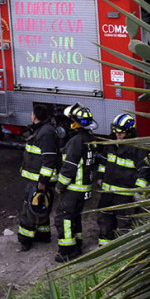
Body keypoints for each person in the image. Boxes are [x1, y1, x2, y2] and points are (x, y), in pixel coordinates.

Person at [96, 113, 150, 246]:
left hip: (125, 197)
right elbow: (103, 163)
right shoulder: (111, 143)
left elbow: (144, 171)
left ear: (130, 132)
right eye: (115, 132)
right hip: (107, 194)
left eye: (121, 133)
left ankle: (122, 256)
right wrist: (100, 178)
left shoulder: (138, 148)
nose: (117, 136)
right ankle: (104, 252)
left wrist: (138, 191)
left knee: (124, 227)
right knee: (104, 222)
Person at [53, 103, 98, 262]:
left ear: (76, 124)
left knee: (63, 218)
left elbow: (69, 168)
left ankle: (66, 252)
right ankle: (77, 245)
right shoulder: (91, 139)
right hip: (84, 189)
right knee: (75, 217)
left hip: (72, 189)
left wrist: (59, 186)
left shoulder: (75, 141)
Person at [17, 106, 60, 251]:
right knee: (41, 206)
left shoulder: (46, 133)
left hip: (39, 180)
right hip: (36, 178)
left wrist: (42, 182)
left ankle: (25, 240)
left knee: (30, 209)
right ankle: (43, 234)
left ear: (34, 116)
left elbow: (49, 160)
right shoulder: (41, 130)